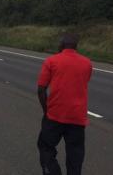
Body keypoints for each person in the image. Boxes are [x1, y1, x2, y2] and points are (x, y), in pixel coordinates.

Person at [37, 34, 92, 175]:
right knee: (75, 153)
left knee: (46, 146)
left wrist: (46, 110)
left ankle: (52, 171)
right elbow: (84, 82)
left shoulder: (51, 61)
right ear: (76, 47)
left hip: (55, 114)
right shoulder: (87, 63)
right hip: (77, 117)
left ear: (61, 45)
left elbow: (41, 89)